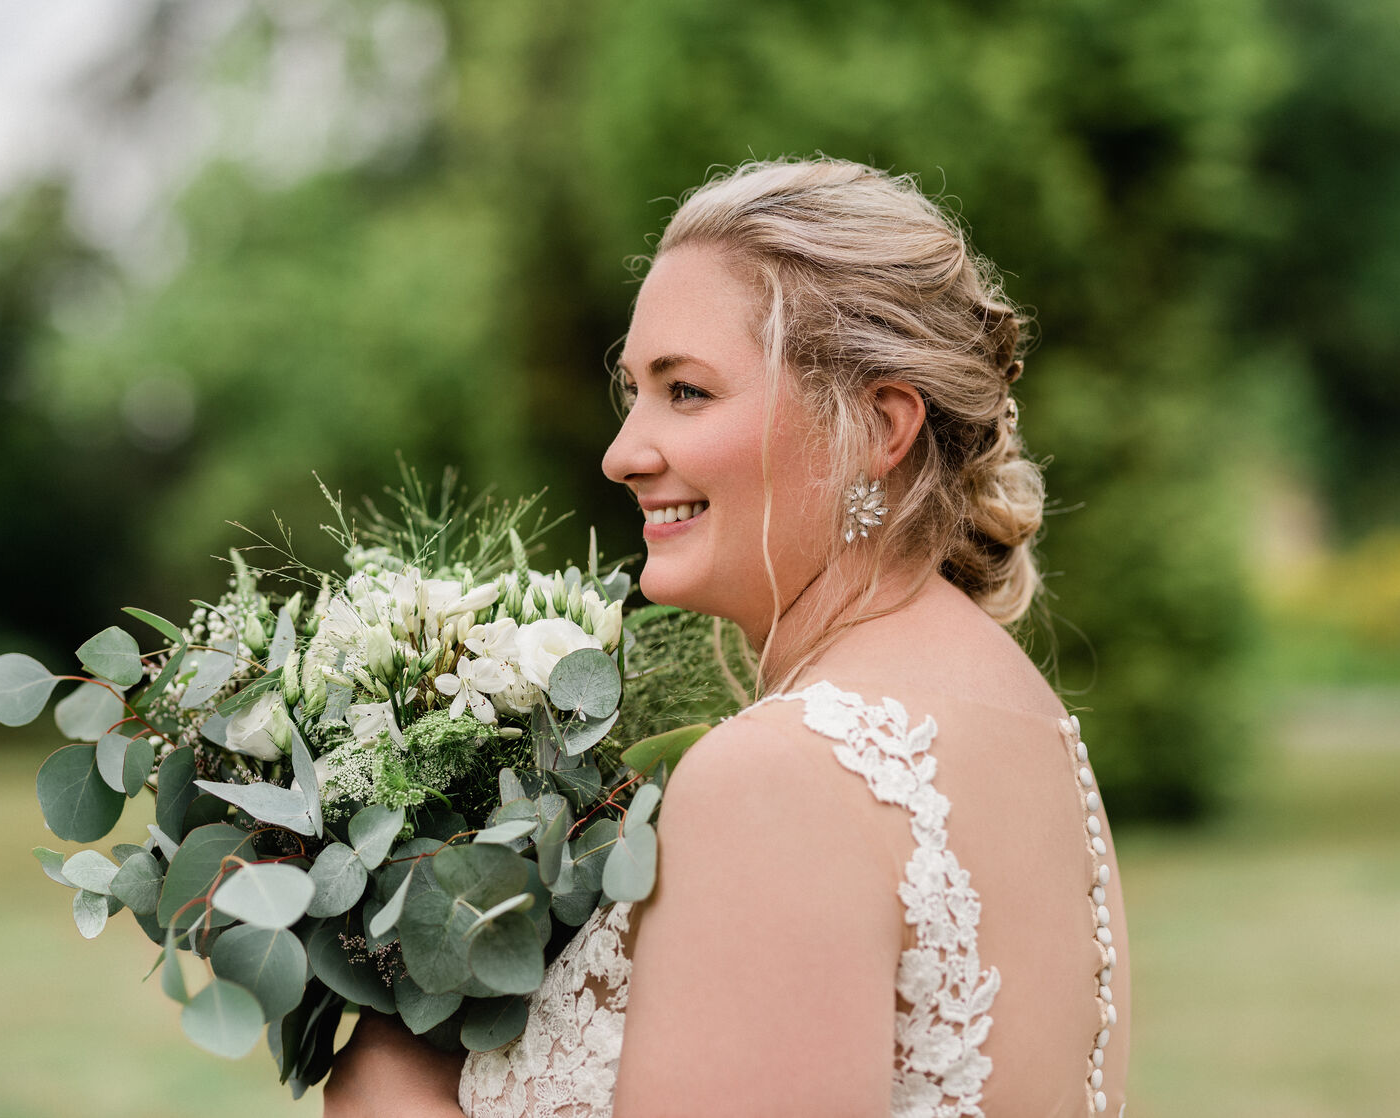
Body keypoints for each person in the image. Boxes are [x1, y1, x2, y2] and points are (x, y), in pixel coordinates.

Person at [323, 157, 1130, 1117]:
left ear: (876, 425)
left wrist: (388, 1092)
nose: (623, 455)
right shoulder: (1037, 736)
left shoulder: (782, 776)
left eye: (688, 392)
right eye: (634, 391)